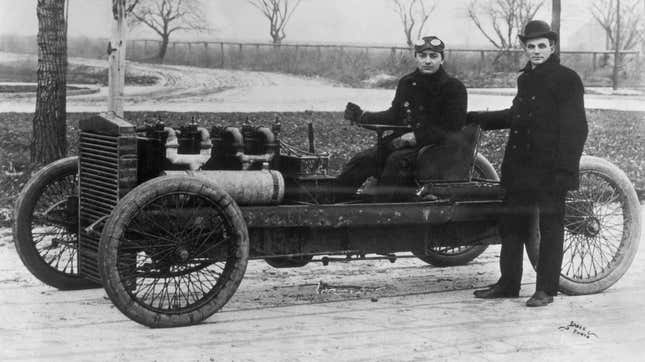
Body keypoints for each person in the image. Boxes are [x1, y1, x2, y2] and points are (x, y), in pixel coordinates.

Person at [469, 20, 588, 307]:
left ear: (552, 47)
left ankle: (545, 289)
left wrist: (565, 170)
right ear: (525, 48)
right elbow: (517, 115)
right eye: (530, 46)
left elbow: (576, 128)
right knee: (512, 225)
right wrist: (478, 118)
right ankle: (508, 284)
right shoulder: (525, 79)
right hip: (519, 167)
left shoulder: (567, 78)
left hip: (550, 169)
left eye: (541, 46)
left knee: (550, 228)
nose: (535, 51)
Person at [336, 35, 468, 201]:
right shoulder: (407, 82)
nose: (427, 61)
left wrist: (416, 137)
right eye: (422, 56)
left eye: (433, 56)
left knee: (395, 161)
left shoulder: (454, 88)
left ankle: (380, 210)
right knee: (363, 159)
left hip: (435, 148)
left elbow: (453, 127)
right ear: (416, 57)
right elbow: (394, 115)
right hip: (403, 144)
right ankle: (333, 203)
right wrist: (363, 116)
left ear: (442, 59)